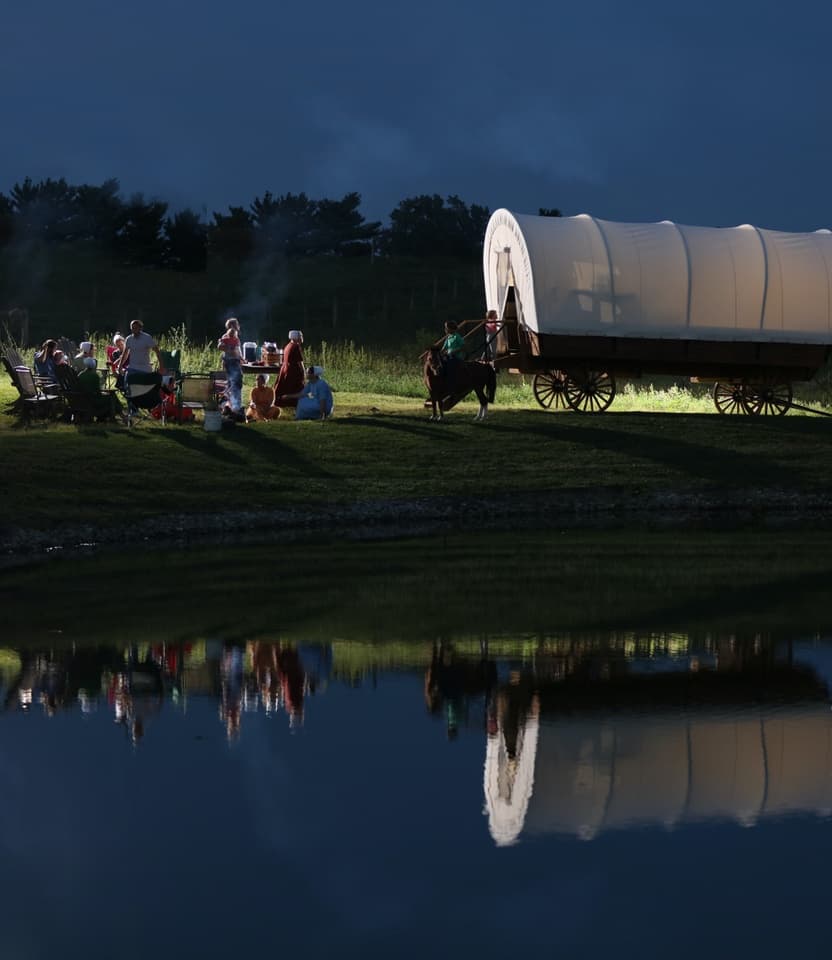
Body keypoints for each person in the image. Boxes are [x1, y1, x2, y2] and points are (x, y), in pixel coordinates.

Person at [117, 319, 165, 403]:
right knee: (126, 380)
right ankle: (131, 404)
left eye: (136, 328)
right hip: (133, 367)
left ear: (140, 328)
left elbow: (157, 351)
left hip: (145, 368)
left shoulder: (147, 338)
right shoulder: (129, 339)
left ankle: (146, 401)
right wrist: (120, 366)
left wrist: (161, 366)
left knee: (144, 387)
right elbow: (125, 354)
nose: (134, 330)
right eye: (132, 328)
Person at [217, 317, 243, 413]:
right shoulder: (226, 336)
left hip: (235, 362)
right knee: (233, 384)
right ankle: (231, 406)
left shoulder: (235, 337)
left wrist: (241, 358)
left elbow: (238, 351)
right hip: (231, 363)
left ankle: (235, 406)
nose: (238, 326)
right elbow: (220, 346)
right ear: (232, 326)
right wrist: (231, 351)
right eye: (237, 324)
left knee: (236, 384)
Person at [274, 329, 305, 407]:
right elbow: (300, 362)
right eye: (300, 336)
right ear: (296, 337)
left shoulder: (288, 345)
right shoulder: (296, 346)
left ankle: (283, 401)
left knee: (286, 387)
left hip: (286, 369)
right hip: (293, 371)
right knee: (295, 388)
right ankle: (292, 402)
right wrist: (304, 372)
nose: (302, 338)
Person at [442, 320, 465, 392]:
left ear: (451, 328)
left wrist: (454, 351)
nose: (445, 330)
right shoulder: (448, 337)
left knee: (450, 366)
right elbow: (444, 348)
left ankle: (452, 385)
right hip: (449, 356)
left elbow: (463, 347)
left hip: (456, 357)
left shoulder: (456, 336)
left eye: (446, 328)